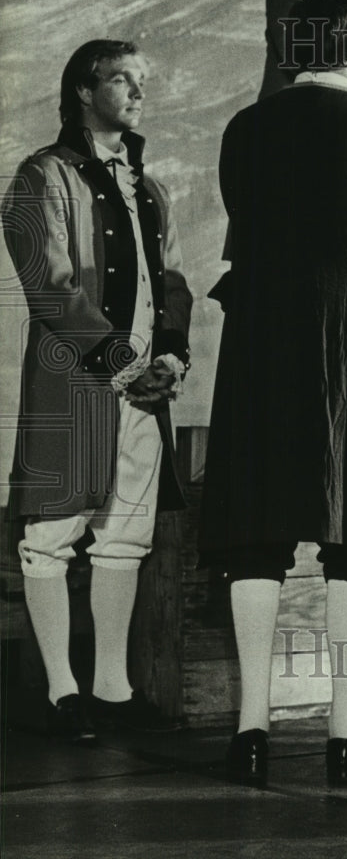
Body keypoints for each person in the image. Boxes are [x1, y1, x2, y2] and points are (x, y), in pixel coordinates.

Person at [200, 0, 347, 789]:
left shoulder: (247, 129)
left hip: (265, 331)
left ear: (296, 49)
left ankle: (250, 729)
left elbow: (242, 214)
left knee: (256, 529)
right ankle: (345, 733)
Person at [3, 39, 192, 741]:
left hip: (144, 392)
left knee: (125, 537)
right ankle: (62, 692)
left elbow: (171, 282)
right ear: (84, 91)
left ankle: (112, 689)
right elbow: (49, 284)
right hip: (73, 385)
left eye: (142, 81)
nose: (138, 93)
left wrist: (169, 354)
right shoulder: (42, 177)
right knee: (51, 534)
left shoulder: (149, 187)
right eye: (122, 80)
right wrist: (121, 358)